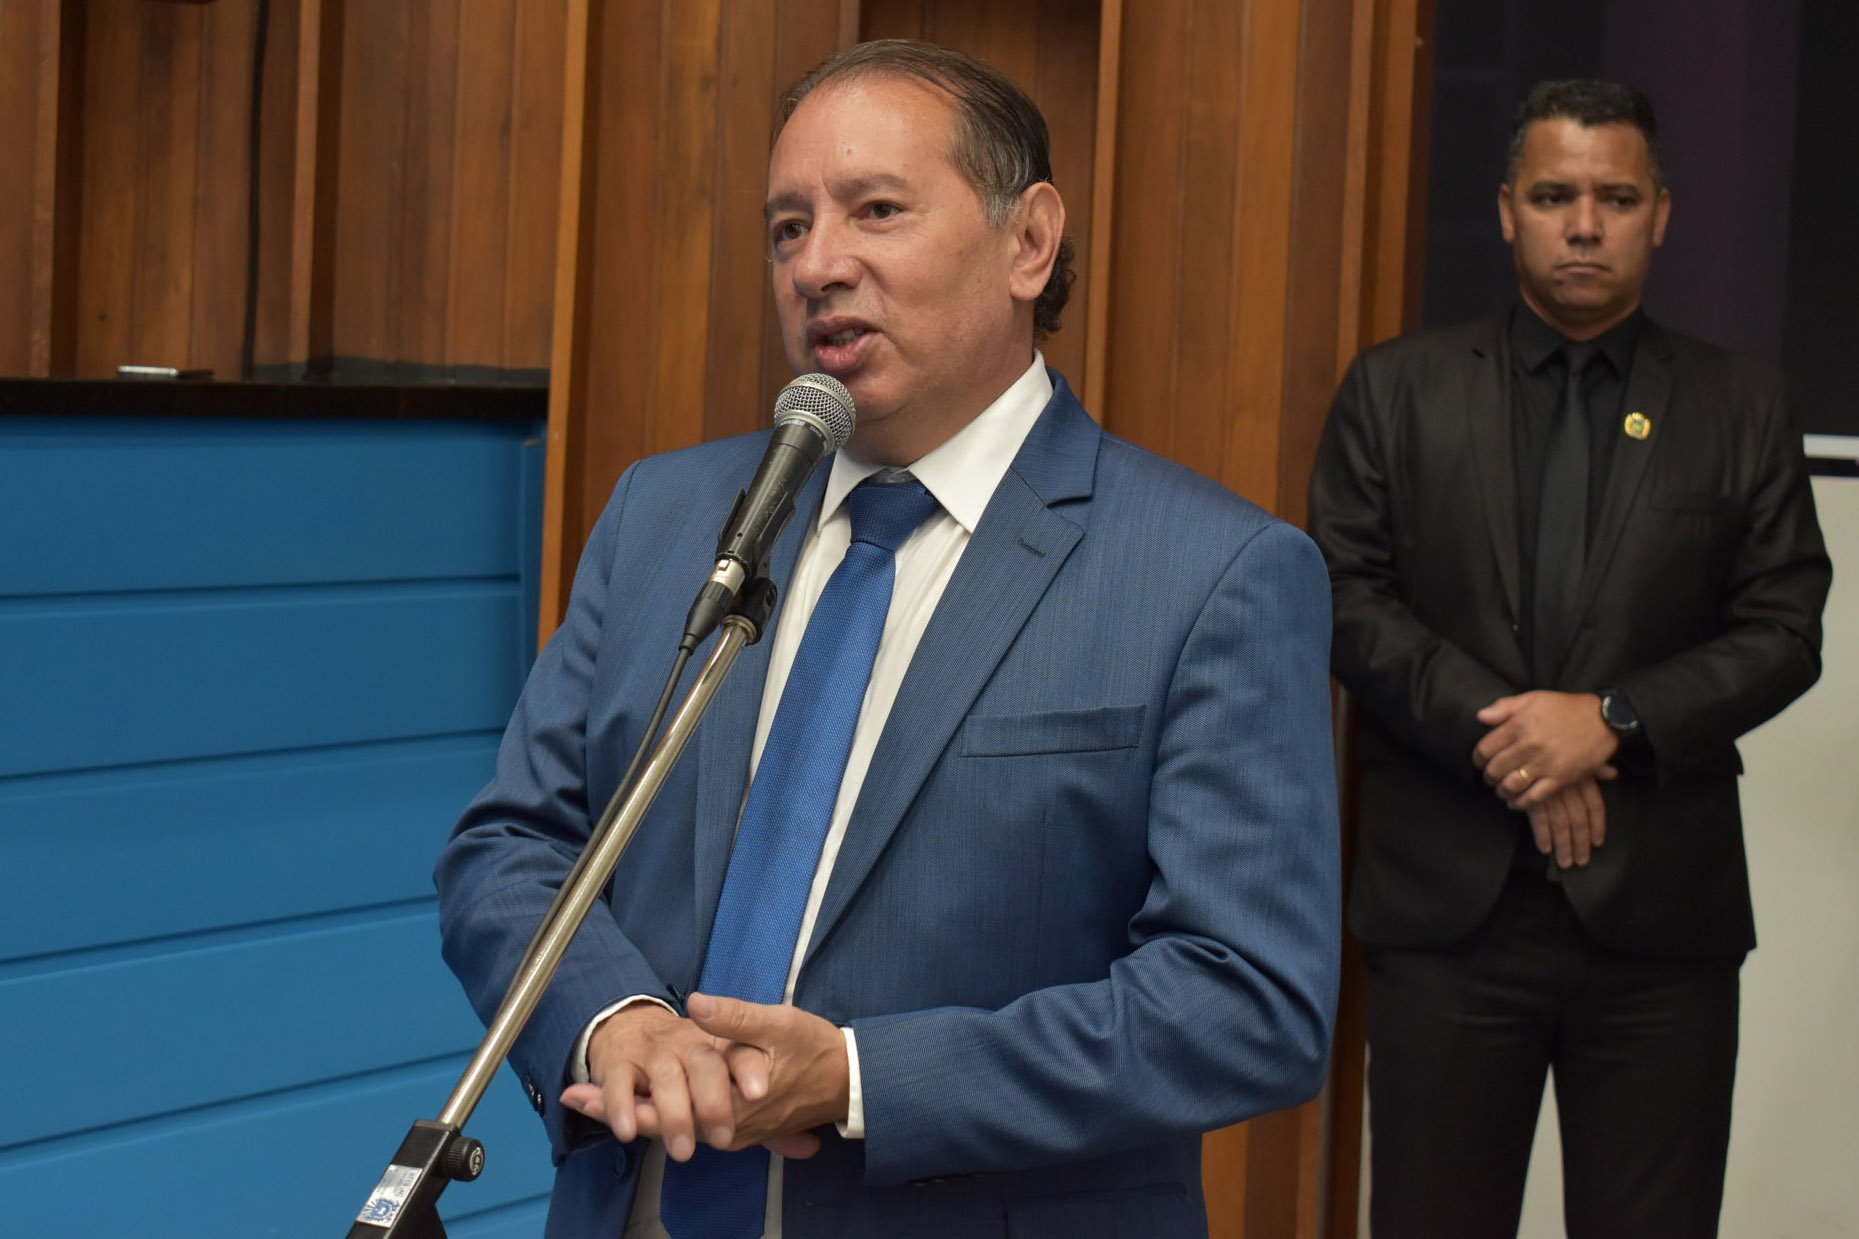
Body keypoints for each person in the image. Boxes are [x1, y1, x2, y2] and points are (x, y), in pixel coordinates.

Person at [436, 39, 1340, 1239]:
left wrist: (864, 1081)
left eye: (875, 211)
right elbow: (511, 847)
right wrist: (612, 1020)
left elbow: (1248, 1002)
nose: (817, 264)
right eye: (788, 227)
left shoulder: (1209, 573)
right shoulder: (667, 518)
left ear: (1028, 242)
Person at [1308, 79, 1831, 1237]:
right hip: (1446, 915)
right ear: (1506, 211)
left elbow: (1783, 625)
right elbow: (1339, 594)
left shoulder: (1739, 404)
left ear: (1660, 214)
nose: (1582, 225)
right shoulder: (1395, 389)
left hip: (1660, 925)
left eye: (1613, 198)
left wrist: (1611, 722)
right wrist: (1518, 740)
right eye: (1552, 197)